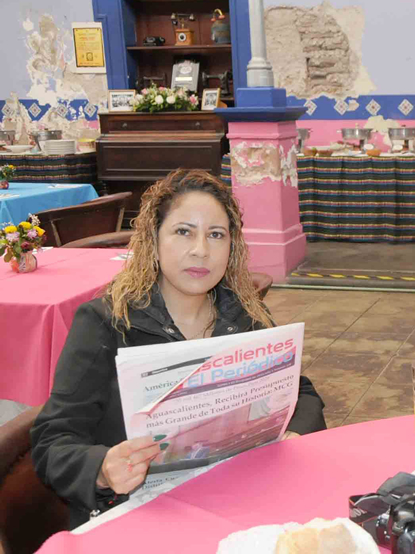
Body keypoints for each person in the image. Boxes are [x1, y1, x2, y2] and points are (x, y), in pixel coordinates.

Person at [31, 169, 326, 529]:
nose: (200, 250)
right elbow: (52, 443)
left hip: (234, 501)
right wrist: (102, 468)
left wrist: (292, 435)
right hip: (139, 516)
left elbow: (303, 393)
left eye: (215, 235)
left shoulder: (243, 313)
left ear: (232, 247)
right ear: (153, 241)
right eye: (183, 232)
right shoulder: (106, 322)